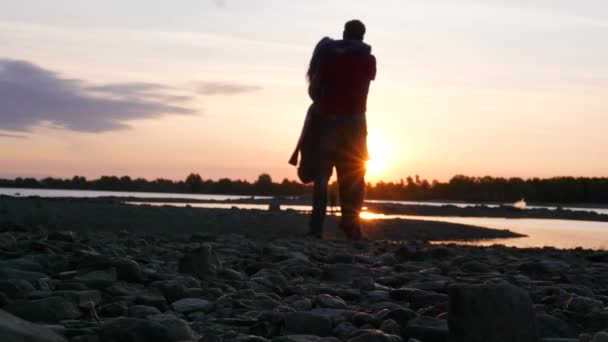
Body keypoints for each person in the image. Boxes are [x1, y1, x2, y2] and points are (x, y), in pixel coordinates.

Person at [299, 20, 377, 240]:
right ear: (363, 36)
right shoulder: (369, 60)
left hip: (326, 119)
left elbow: (314, 90)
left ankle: (316, 228)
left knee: (321, 176)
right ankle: (351, 226)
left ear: (344, 33)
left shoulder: (327, 56)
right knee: (353, 175)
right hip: (356, 122)